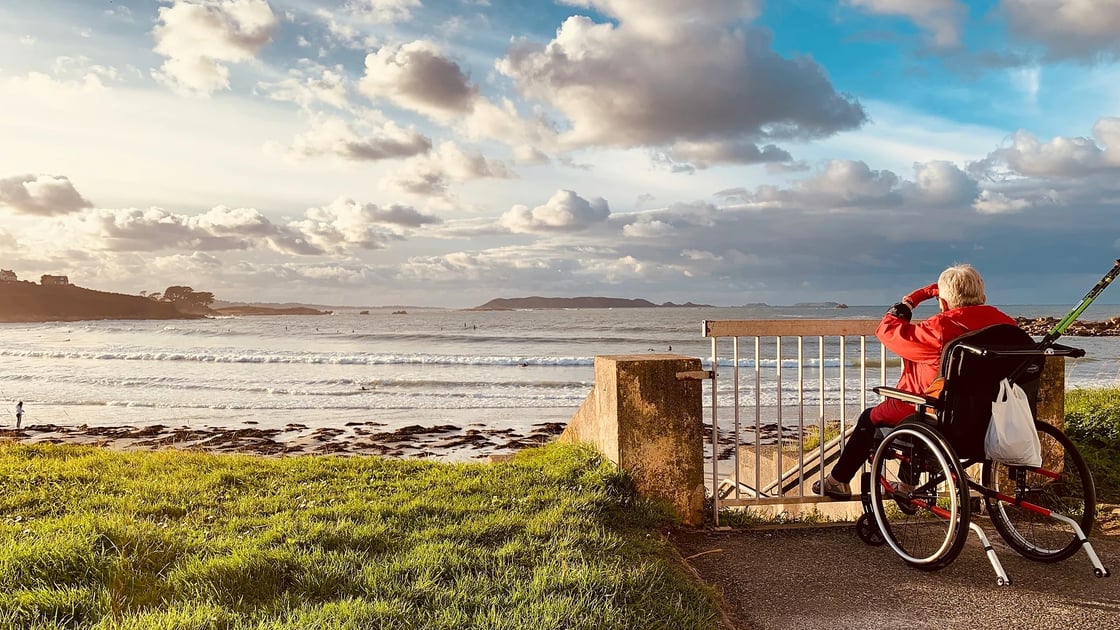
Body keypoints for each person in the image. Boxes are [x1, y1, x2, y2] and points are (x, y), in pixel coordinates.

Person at [812, 264, 1017, 500]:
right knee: (917, 414)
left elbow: (887, 330)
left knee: (871, 418)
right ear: (983, 296)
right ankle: (906, 486)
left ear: (943, 302)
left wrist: (913, 299)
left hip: (942, 417)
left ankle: (837, 481)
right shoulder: (1006, 325)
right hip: (995, 419)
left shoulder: (940, 329)